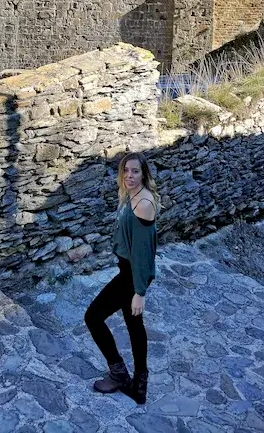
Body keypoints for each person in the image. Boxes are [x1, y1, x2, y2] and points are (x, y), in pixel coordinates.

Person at [84, 152, 160, 405]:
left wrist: (139, 291)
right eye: (126, 170)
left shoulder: (143, 203)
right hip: (127, 271)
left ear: (144, 173)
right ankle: (139, 385)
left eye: (135, 171)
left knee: (93, 317)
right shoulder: (132, 195)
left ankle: (119, 374)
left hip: (131, 275)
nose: (129, 175)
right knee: (134, 326)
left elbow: (143, 252)